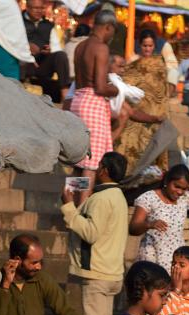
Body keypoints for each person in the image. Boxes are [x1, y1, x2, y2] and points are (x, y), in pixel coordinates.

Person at [61, 151, 129, 315]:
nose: (97, 169)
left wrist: (68, 207)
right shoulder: (117, 196)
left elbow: (91, 233)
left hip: (97, 275)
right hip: (110, 273)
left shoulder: (101, 199)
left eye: (99, 166)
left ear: (104, 170)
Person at [0, 233, 100, 315]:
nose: (39, 266)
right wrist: (5, 286)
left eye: (40, 262)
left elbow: (65, 311)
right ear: (18, 260)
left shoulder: (42, 279)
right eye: (34, 263)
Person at [130, 164, 189, 272]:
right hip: (152, 256)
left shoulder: (185, 198)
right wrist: (150, 224)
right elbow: (133, 228)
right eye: (176, 186)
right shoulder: (149, 198)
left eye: (184, 188)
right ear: (167, 181)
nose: (180, 192)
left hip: (176, 258)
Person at [70, 7, 119, 188]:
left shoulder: (80, 46)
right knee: (91, 162)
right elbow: (99, 87)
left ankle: (70, 200)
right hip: (92, 104)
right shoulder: (101, 48)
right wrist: (117, 90)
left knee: (79, 161)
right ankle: (81, 205)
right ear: (108, 27)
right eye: (113, 31)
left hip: (78, 101)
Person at [114, 29, 170, 178]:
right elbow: (124, 83)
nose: (147, 49)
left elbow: (163, 92)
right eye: (145, 45)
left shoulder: (159, 65)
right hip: (135, 112)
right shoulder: (132, 64)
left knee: (150, 147)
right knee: (130, 146)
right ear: (140, 45)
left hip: (154, 112)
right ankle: (127, 178)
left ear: (154, 46)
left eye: (150, 46)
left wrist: (161, 112)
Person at [20, 0, 69, 103]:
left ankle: (65, 92)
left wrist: (49, 51)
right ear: (27, 8)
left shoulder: (48, 26)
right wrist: (26, 47)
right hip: (23, 63)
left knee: (60, 55)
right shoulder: (18, 21)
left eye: (41, 8)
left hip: (41, 66)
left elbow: (56, 48)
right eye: (36, 8)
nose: (39, 11)